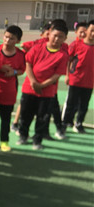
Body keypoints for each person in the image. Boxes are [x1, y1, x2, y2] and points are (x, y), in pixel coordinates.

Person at [17, 19, 69, 150]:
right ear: (49, 34)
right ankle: (23, 136)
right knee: (25, 115)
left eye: (60, 37)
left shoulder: (63, 55)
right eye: (55, 35)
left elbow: (57, 75)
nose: (56, 39)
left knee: (42, 118)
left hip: (46, 92)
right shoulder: (37, 47)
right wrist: (33, 82)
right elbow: (28, 63)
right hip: (29, 88)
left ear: (65, 39)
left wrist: (41, 86)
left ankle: (37, 140)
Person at [62, 20, 94, 134]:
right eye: (92, 30)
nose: (93, 33)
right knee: (71, 103)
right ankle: (65, 123)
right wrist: (67, 75)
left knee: (84, 105)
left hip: (89, 82)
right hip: (75, 79)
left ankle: (79, 124)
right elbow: (68, 60)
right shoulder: (76, 44)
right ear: (87, 30)